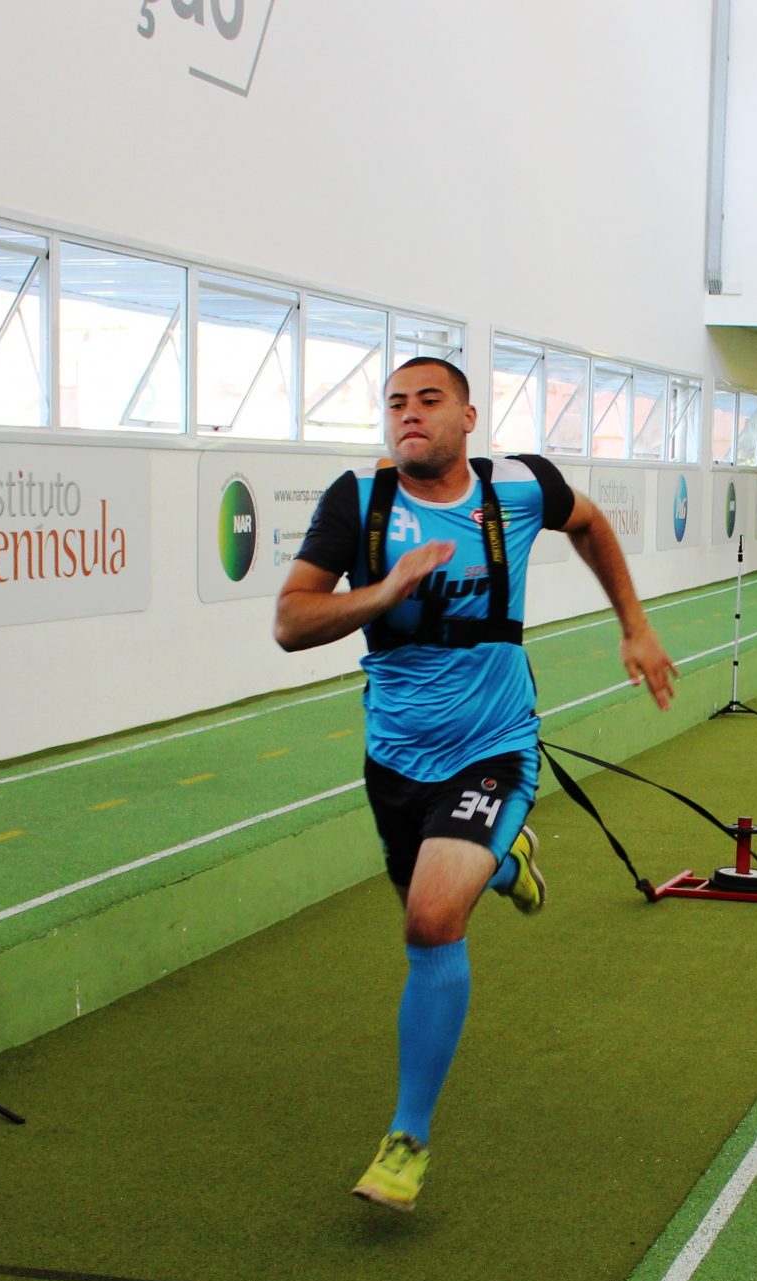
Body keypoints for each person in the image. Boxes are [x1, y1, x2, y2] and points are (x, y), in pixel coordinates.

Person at [275, 356, 679, 1211]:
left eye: (429, 401)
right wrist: (383, 590)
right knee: (428, 900)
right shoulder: (358, 503)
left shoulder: (521, 490)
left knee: (431, 919)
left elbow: (593, 524)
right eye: (395, 404)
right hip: (395, 761)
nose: (409, 416)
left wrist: (635, 627)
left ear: (468, 416)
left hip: (493, 746)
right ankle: (508, 861)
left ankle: (406, 1138)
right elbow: (290, 621)